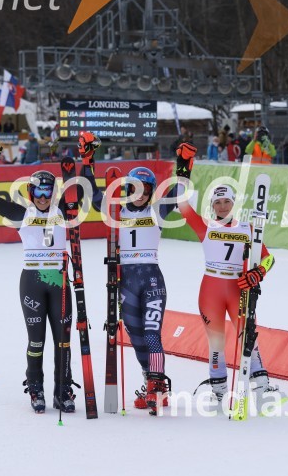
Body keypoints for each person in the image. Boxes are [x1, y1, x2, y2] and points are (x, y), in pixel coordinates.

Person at [80, 131, 194, 413]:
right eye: (135, 187)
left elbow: (178, 191)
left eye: (146, 188)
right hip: (125, 281)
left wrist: (183, 167)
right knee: (136, 335)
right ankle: (150, 379)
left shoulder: (157, 210)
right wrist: (87, 160)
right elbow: (91, 194)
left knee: (153, 333)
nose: (140, 192)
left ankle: (157, 386)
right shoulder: (116, 210)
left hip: (152, 279)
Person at [0, 145, 93, 414]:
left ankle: (63, 388)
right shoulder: (23, 214)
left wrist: (87, 161)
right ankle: (36, 388)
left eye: (47, 191)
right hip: (32, 280)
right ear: (31, 193)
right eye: (38, 191)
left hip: (59, 280)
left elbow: (85, 192)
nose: (43, 197)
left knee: (63, 341)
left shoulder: (65, 212)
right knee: (36, 341)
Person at [177, 177, 281, 412]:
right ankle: (219, 393)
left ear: (233, 203)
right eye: (218, 202)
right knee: (216, 343)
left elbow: (269, 257)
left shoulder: (247, 228)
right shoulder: (205, 226)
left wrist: (258, 273)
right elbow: (182, 206)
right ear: (212, 206)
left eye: (226, 201)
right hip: (211, 290)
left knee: (249, 339)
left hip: (238, 290)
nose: (222, 206)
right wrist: (184, 170)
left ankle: (262, 389)